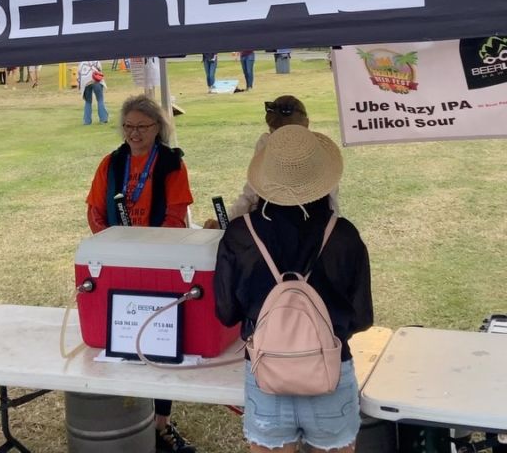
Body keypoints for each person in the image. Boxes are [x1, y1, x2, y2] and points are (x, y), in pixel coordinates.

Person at [214, 125, 373, 453]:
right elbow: (361, 318)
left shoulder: (241, 235)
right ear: (323, 179)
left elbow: (226, 312)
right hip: (330, 371)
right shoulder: (342, 234)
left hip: (266, 374)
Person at [86, 94, 196, 452]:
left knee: (160, 343)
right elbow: (95, 212)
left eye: (142, 127)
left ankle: (161, 424)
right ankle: (129, 419)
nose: (134, 133)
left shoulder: (171, 164)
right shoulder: (111, 163)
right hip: (118, 263)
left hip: (159, 265)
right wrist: (112, 243)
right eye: (128, 126)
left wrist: (149, 251)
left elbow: (176, 215)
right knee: (122, 337)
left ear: (157, 128)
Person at [204, 95, 339, 228]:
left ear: (306, 124)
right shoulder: (266, 146)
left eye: (289, 133)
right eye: (275, 134)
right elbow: (251, 194)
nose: (283, 141)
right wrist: (225, 223)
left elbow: (330, 202)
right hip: (272, 226)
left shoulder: (319, 154)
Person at [78, 60, 109, 125]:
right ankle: (103, 119)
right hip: (95, 80)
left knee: (88, 102)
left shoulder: (81, 63)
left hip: (85, 83)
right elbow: (100, 68)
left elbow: (79, 74)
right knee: (100, 99)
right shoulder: (95, 60)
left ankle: (87, 121)